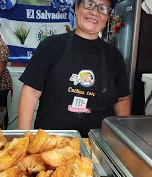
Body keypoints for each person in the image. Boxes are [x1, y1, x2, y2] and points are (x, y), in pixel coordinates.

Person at [18, 0, 131, 137]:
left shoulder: (114, 56)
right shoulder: (50, 46)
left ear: (107, 17)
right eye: (89, 4)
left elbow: (122, 99)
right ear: (76, 8)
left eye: (102, 8)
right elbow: (31, 91)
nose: (94, 12)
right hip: (50, 143)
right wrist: (22, 136)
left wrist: (120, 136)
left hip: (97, 144)